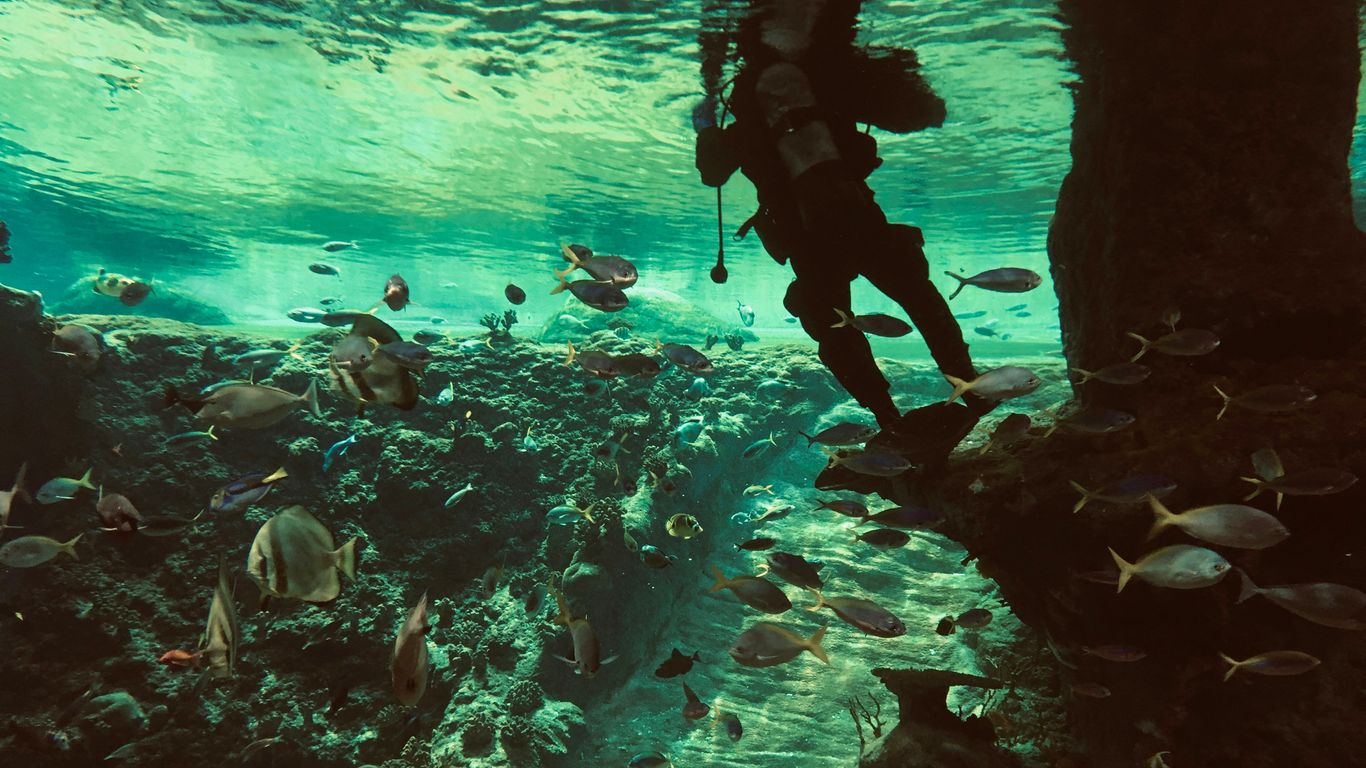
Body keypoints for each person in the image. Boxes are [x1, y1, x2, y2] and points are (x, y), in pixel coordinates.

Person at [694, 0, 990, 462]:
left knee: (834, 328)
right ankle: (968, 383)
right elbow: (924, 113)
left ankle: (887, 418)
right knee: (919, 296)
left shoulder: (748, 109)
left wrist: (706, 126)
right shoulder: (829, 87)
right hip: (858, 218)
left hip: (805, 237)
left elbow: (713, 173)